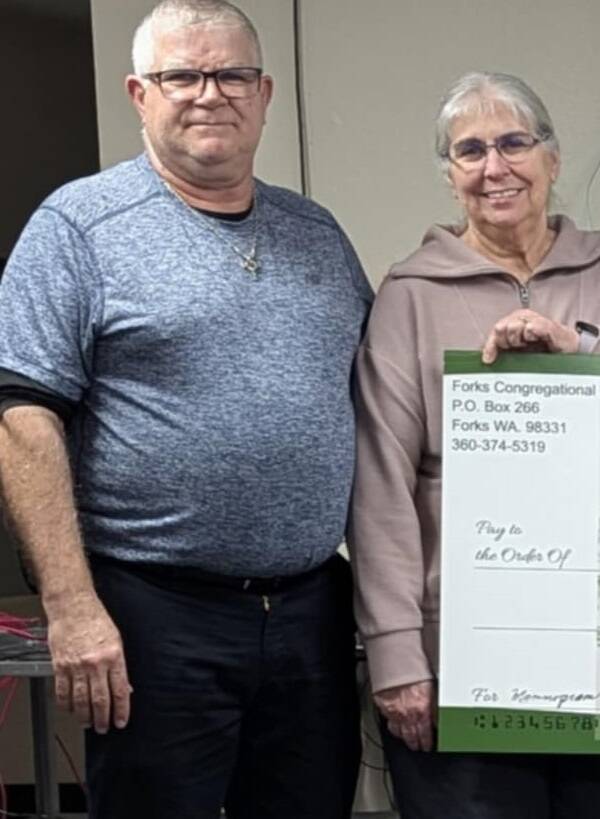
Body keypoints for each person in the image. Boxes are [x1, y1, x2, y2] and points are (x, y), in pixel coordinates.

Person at [0, 2, 370, 815]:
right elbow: (22, 417)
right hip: (153, 616)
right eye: (182, 75)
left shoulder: (318, 233)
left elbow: (380, 397)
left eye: (232, 74)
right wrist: (71, 605)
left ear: (265, 93)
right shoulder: (78, 228)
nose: (211, 93)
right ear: (140, 93)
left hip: (310, 610)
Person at [349, 71, 600, 818]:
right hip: (465, 656)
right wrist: (398, 656)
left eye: (513, 143)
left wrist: (578, 348)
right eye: (468, 151)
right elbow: (380, 490)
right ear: (449, 175)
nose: (493, 167)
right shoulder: (408, 296)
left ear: (553, 157)